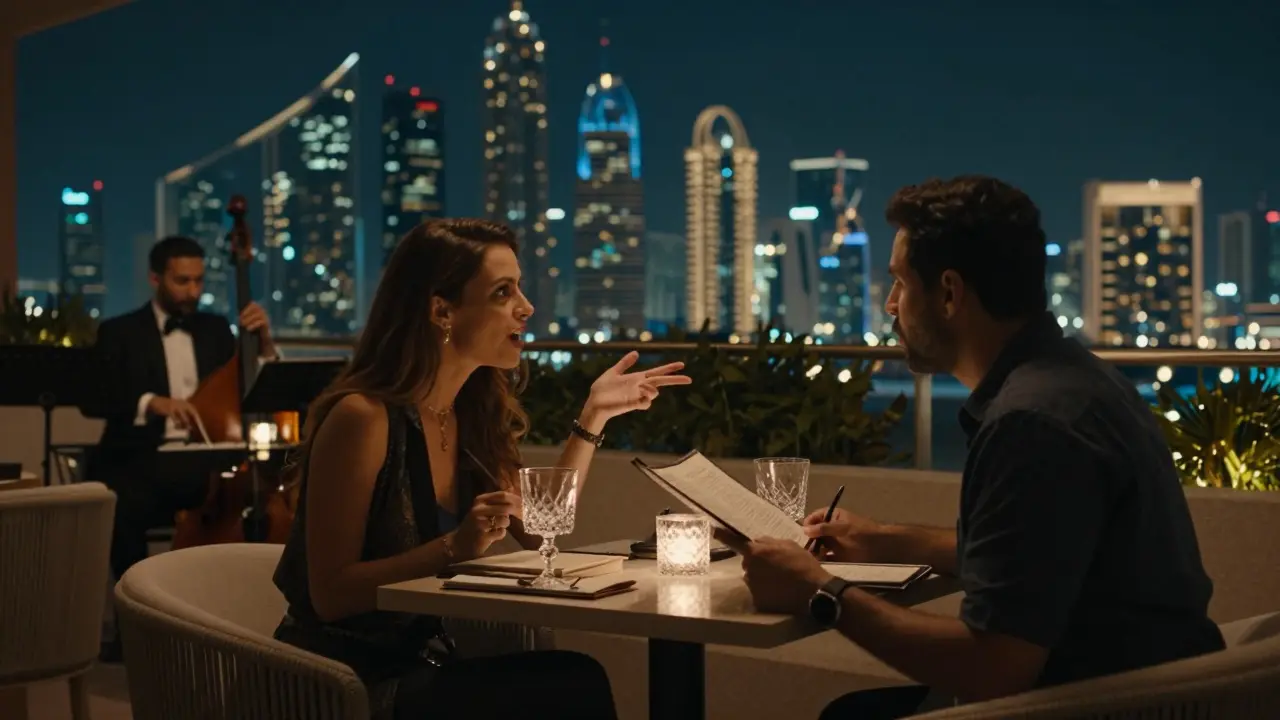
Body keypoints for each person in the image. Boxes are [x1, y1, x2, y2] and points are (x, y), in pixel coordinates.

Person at [722, 176, 1225, 719]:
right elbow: (1035, 558)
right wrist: (882, 539)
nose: (890, 305)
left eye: (898, 284)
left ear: (948, 293)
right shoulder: (1078, 384)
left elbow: (994, 668)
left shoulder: (1032, 424)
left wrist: (818, 593)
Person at [272, 218, 690, 720]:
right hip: (343, 683)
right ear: (442, 311)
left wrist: (593, 416)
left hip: (428, 665)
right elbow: (331, 595)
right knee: (572, 684)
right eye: (502, 292)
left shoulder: (470, 411)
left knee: (573, 678)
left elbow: (539, 531)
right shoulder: (363, 418)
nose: (527, 307)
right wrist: (454, 548)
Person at [85, 236, 278, 581]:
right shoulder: (119, 331)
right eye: (182, 281)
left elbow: (252, 387)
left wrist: (263, 343)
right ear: (155, 278)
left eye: (199, 281)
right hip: (143, 457)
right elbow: (95, 398)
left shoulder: (216, 329)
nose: (193, 291)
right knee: (123, 508)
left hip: (209, 460)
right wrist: (150, 402)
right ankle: (136, 602)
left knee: (258, 497)